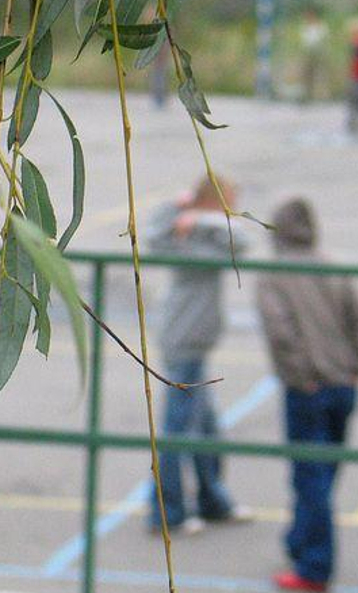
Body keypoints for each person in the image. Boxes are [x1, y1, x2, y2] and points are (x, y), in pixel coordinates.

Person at [256, 198, 358, 591]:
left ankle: (315, 567)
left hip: (309, 389)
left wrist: (301, 376)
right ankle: (300, 540)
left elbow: (280, 332)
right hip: (343, 385)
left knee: (311, 477)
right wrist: (356, 369)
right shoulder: (332, 265)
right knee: (325, 473)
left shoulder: (274, 275)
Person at [145, 176, 253, 535]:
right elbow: (152, 237)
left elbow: (243, 239)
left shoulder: (205, 233)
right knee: (178, 429)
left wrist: (201, 217)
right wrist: (178, 206)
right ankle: (166, 510)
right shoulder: (187, 242)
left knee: (206, 428)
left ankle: (212, 500)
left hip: (196, 344)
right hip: (183, 342)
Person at [299, 7, 329, 103]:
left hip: (319, 53)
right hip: (308, 53)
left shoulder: (321, 26)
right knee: (307, 74)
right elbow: (304, 42)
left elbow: (324, 40)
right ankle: (308, 95)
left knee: (320, 74)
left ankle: (321, 96)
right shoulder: (305, 27)